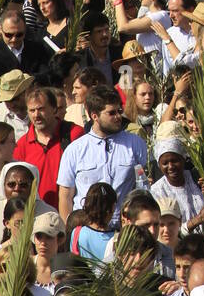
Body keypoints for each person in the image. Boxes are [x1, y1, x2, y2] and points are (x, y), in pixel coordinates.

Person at [57, 85, 148, 220]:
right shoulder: (75, 150)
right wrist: (70, 232)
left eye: (119, 111)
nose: (118, 116)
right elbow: (65, 196)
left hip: (124, 226)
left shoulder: (135, 143)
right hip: (86, 228)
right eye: (111, 113)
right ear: (95, 116)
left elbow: (144, 186)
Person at [13, 86, 82, 211]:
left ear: (54, 109)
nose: (36, 115)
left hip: (71, 213)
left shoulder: (74, 134)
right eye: (32, 110)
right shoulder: (22, 145)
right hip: (36, 216)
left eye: (41, 109)